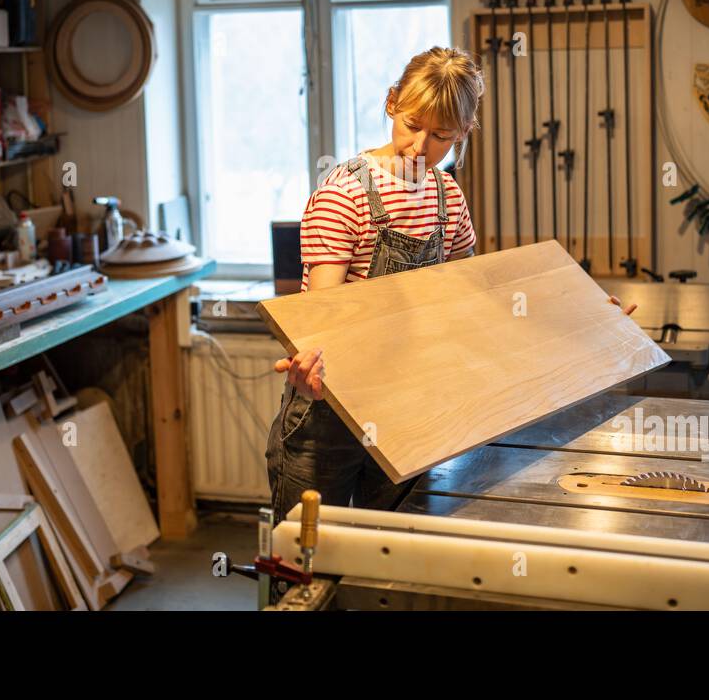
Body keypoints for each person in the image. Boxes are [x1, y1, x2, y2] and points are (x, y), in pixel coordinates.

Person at [265, 46, 635, 518]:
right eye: (412, 125)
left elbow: (476, 301)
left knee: (389, 562)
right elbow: (325, 317)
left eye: (441, 136)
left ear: (464, 132)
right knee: (307, 564)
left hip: (409, 409)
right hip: (329, 416)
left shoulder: (447, 196)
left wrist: (585, 318)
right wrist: (311, 362)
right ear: (391, 103)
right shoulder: (344, 193)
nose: (420, 148)